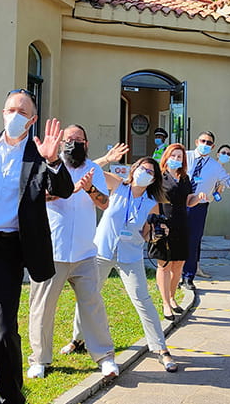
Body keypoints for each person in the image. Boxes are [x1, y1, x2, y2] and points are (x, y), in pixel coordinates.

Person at [0, 88, 74, 404]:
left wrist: (53, 159)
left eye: (23, 112)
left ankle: (12, 395)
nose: (16, 115)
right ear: (2, 112)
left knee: (3, 328)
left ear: (33, 119)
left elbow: (64, 189)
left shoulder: (39, 152)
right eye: (11, 109)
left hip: (8, 250)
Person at [67, 157, 179, 373]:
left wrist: (157, 233)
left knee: (142, 300)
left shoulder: (151, 203)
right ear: (134, 169)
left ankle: (160, 348)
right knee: (88, 295)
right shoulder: (117, 185)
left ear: (154, 179)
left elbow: (146, 235)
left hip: (130, 256)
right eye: (142, 168)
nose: (145, 173)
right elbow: (92, 168)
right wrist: (107, 159)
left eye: (150, 172)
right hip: (102, 250)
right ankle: (77, 339)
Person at [25, 124, 118, 380]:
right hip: (51, 251)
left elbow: (104, 202)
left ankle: (105, 357)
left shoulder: (94, 169)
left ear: (86, 144)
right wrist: (62, 192)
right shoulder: (47, 165)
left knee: (93, 307)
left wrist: (89, 189)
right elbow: (35, 197)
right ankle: (39, 360)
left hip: (85, 252)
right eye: (68, 139)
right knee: (42, 309)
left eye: (78, 139)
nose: (73, 144)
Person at [181, 131, 230, 290]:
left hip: (199, 206)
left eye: (209, 143)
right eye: (203, 141)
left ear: (213, 147)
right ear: (197, 141)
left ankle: (188, 277)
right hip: (179, 204)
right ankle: (172, 275)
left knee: (193, 241)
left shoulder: (215, 166)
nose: (205, 144)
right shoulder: (184, 156)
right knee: (176, 239)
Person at [158, 143, 206, 318]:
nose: (176, 159)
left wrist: (198, 198)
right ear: (166, 157)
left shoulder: (184, 177)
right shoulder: (159, 176)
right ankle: (165, 303)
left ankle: (171, 298)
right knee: (164, 264)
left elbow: (188, 201)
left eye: (179, 157)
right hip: (164, 224)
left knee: (178, 264)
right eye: (173, 156)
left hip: (182, 223)